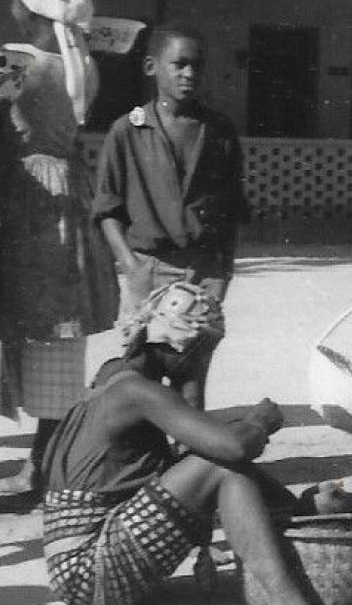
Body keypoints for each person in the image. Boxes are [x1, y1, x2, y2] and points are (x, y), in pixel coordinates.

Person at [39, 280, 352, 605]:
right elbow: (231, 448)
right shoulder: (137, 392)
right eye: (203, 354)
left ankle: (304, 517)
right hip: (89, 572)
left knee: (219, 462)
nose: (203, 366)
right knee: (225, 466)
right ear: (180, 344)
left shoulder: (115, 373)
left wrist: (294, 505)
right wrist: (260, 422)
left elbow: (188, 446)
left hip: (79, 566)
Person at [0, 0, 119, 503]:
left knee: (40, 323)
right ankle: (46, 461)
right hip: (68, 193)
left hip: (29, 196)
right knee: (60, 332)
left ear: (26, 9)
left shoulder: (22, 65)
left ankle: (41, 470)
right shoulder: (81, 65)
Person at [94, 24, 247, 409]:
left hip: (202, 272)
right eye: (178, 65)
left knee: (191, 379)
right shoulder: (127, 131)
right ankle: (147, 467)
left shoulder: (220, 131)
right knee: (141, 376)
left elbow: (230, 212)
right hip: (147, 268)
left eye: (197, 66)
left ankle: (186, 462)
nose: (189, 75)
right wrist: (132, 268)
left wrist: (221, 273)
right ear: (151, 66)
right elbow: (107, 210)